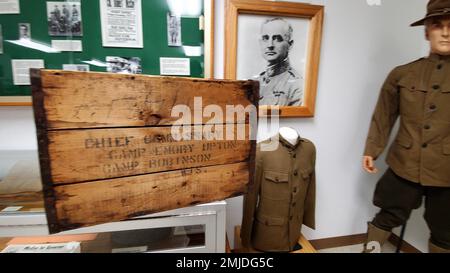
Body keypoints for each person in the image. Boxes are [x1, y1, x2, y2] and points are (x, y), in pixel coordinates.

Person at [362, 0, 450, 253]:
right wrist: (372, 149)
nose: (445, 32)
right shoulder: (402, 74)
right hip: (404, 165)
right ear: (426, 31)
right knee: (386, 215)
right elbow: (384, 115)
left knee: (445, 231)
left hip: (446, 171)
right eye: (437, 25)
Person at [256, 18, 303, 107]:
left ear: (290, 45)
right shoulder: (256, 81)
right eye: (265, 38)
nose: (270, 45)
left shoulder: (297, 85)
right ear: (260, 42)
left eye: (277, 38)